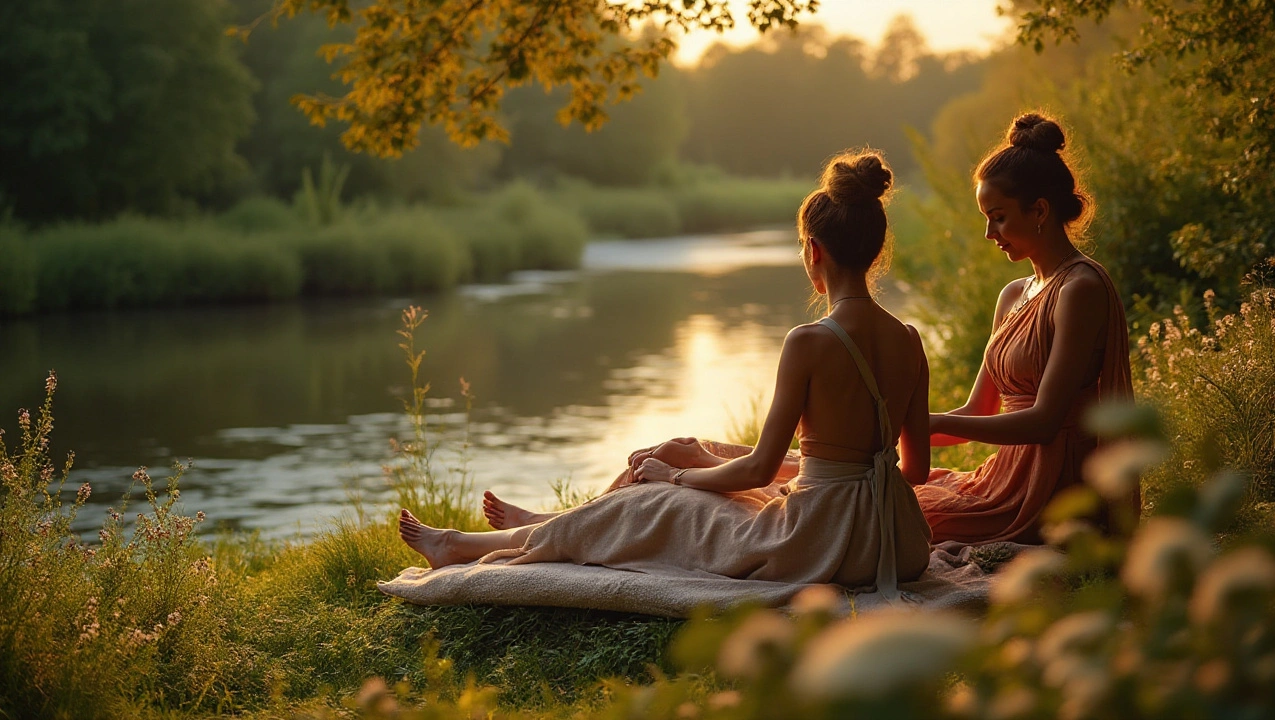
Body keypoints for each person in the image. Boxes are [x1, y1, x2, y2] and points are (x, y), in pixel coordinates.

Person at [399, 151, 934, 596]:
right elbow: (915, 471)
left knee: (658, 499)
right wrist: (823, 477)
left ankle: (460, 544)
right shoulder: (910, 341)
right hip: (896, 540)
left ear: (813, 251)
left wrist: (677, 477)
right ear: (874, 250)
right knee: (691, 470)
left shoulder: (810, 342)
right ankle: (537, 526)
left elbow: (757, 469)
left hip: (816, 543)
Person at [914, 113, 1134, 544]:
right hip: (1005, 473)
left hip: (1055, 484)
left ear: (1039, 211)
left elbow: (1044, 423)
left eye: (997, 217)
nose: (988, 233)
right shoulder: (1013, 294)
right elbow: (979, 410)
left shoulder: (1080, 288)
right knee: (882, 500)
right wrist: (900, 432)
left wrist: (927, 422)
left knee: (904, 521)